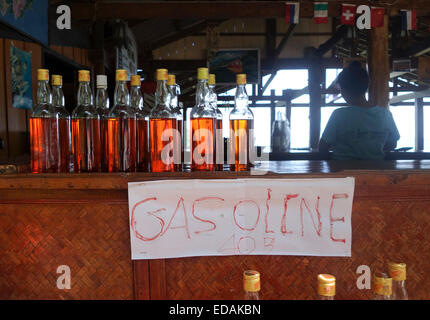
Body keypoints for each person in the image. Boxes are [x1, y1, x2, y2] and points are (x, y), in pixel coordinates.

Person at [319, 61, 400, 160]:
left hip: (343, 171)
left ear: (343, 91)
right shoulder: (385, 114)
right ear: (366, 87)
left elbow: (323, 147)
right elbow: (392, 144)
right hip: (375, 172)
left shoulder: (339, 115)